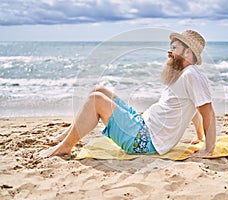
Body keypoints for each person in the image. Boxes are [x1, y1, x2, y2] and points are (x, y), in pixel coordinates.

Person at [37, 29, 216, 158]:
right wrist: (199, 136)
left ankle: (65, 148)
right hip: (143, 125)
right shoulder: (184, 75)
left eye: (174, 48)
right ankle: (64, 137)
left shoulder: (192, 75)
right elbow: (194, 107)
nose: (169, 52)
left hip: (144, 141)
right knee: (99, 89)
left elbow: (206, 110)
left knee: (96, 100)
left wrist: (208, 148)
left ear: (187, 52)